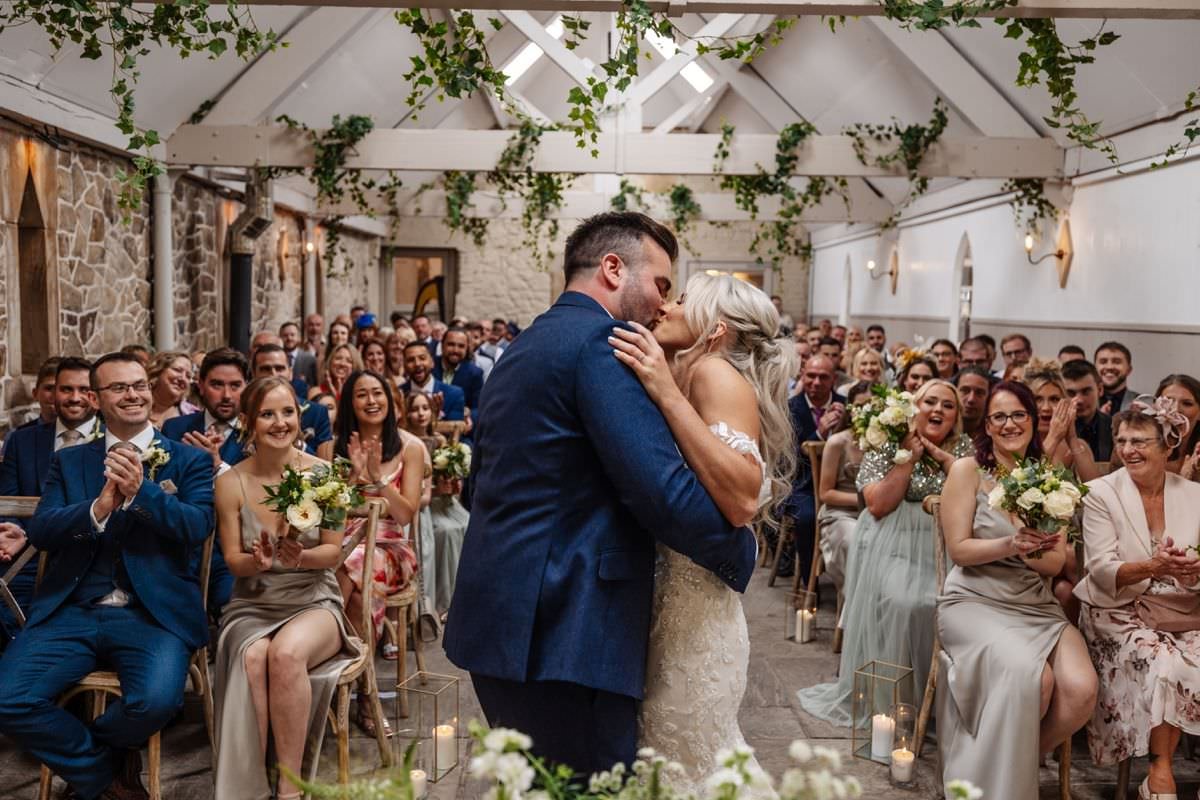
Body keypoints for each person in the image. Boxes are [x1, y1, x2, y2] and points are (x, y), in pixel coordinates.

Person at [443, 212, 757, 777]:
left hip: (503, 620)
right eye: (661, 284)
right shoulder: (599, 344)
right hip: (567, 633)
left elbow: (482, 480)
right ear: (613, 268)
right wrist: (739, 549)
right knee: (589, 788)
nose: (664, 304)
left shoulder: (524, 346)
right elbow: (663, 492)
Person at [611, 270, 795, 793]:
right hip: (672, 600)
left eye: (684, 300)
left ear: (714, 330)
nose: (667, 306)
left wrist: (666, 394)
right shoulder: (690, 370)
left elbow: (741, 498)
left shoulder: (715, 374)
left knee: (692, 762)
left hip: (698, 617)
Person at [0, 352, 213, 800]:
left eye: (139, 385)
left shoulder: (188, 461)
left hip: (151, 616)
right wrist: (97, 509)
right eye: (120, 387)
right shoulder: (72, 461)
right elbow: (42, 529)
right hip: (72, 609)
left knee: (155, 702)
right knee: (8, 698)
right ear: (96, 398)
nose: (133, 394)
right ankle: (105, 771)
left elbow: (197, 526)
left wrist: (142, 494)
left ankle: (100, 759)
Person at [936, 381, 1097, 799]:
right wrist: (1010, 542)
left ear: (1032, 420)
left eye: (1019, 415)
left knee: (1081, 690)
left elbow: (1054, 564)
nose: (1010, 424)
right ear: (986, 426)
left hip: (1034, 603)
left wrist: (1032, 548)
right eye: (999, 417)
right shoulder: (967, 470)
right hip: (974, 599)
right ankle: (1000, 779)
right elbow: (958, 550)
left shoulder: (1050, 480)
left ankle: (1009, 764)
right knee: (1036, 679)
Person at [211, 376, 363, 800]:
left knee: (285, 653)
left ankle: (290, 787)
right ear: (247, 422)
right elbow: (232, 560)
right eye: (267, 414)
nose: (280, 422)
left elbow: (332, 553)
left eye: (288, 412)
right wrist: (257, 561)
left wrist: (298, 557)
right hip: (254, 601)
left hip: (313, 597)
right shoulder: (230, 483)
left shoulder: (324, 474)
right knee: (254, 655)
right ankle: (252, 782)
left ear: (300, 417)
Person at [799, 380, 974, 724]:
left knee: (955, 611)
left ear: (956, 416)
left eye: (948, 405)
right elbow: (877, 505)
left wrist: (941, 457)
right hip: (892, 544)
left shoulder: (963, 449)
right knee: (907, 605)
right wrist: (907, 458)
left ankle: (940, 706)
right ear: (914, 409)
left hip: (945, 543)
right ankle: (897, 702)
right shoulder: (884, 443)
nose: (938, 410)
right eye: (930, 402)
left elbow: (973, 494)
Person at [1073, 399, 1200, 799]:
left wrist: (1193, 572)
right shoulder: (1099, 494)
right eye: (1123, 440)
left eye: (1141, 441)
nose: (1129, 450)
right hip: (1116, 609)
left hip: (1181, 608)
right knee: (1164, 662)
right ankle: (1159, 772)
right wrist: (1152, 567)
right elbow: (1100, 569)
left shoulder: (1194, 494)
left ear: (1168, 447)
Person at [0, 358, 98, 645]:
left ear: (95, 395)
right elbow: (10, 499)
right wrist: (11, 532)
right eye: (66, 389)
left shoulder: (111, 438)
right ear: (53, 394)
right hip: (25, 556)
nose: (75, 398)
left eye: (84, 389)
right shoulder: (23, 440)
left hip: (88, 557)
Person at [332, 372, 421, 672]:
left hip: (391, 549)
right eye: (361, 394)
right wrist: (354, 477)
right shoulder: (330, 448)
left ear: (388, 398)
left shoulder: (411, 448)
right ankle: (361, 692)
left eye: (377, 393)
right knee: (356, 598)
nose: (371, 401)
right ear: (349, 402)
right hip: (341, 542)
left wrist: (378, 479)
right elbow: (327, 511)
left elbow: (405, 514)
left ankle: (323, 646)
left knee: (348, 563)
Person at [783, 355, 846, 583]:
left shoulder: (846, 405)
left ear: (834, 379)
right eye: (811, 376)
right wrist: (818, 434)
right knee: (807, 518)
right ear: (802, 376)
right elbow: (788, 459)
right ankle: (810, 584)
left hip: (841, 483)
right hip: (803, 484)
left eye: (823, 377)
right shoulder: (790, 408)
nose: (816, 382)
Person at [815, 381, 871, 591]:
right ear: (850, 409)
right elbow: (825, 493)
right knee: (855, 539)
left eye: (871, 406)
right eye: (859, 406)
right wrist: (864, 499)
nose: (864, 412)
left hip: (876, 514)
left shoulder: (886, 443)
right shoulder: (838, 442)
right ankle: (856, 601)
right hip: (840, 514)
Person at [250, 345, 335, 461]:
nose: (273, 375)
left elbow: (326, 469)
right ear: (254, 374)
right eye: (265, 369)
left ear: (290, 372)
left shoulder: (317, 413)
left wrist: (298, 444)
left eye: (279, 368)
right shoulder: (245, 411)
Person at [400, 342, 466, 423]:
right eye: (410, 360)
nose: (417, 364)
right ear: (404, 366)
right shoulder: (399, 394)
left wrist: (436, 415)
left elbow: (457, 431)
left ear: (432, 362)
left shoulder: (454, 394)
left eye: (422, 358)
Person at [1063, 359, 1113, 461]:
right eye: (1071, 393)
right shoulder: (1052, 430)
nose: (1079, 400)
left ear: (1100, 390)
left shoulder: (1114, 428)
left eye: (1086, 392)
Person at [433, 327, 485, 415]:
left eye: (461, 346)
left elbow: (478, 409)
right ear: (442, 345)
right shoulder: (430, 367)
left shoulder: (475, 373)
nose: (455, 350)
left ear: (467, 349)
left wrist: (469, 414)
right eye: (451, 344)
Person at [1156, 375, 1200, 477]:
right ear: (1155, 406)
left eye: (1187, 403)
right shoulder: (1137, 448)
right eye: (1167, 401)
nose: (1175, 410)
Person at [146, 351, 198, 428]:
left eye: (188, 376)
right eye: (177, 370)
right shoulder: (136, 403)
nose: (182, 378)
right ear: (159, 370)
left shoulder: (193, 416)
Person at [1095, 341, 1138, 414]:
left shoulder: (1141, 403)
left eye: (1117, 362)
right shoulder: (1084, 403)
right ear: (1094, 368)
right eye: (1103, 361)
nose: (1109, 367)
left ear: (1129, 369)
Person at [953, 366, 993, 438]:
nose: (971, 399)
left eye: (979, 392)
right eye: (965, 390)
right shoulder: (940, 432)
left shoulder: (994, 437)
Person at [280, 321, 318, 389]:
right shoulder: (276, 358)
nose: (289, 338)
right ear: (280, 337)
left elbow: (313, 386)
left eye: (292, 335)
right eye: (285, 335)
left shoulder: (310, 359)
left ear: (298, 337)